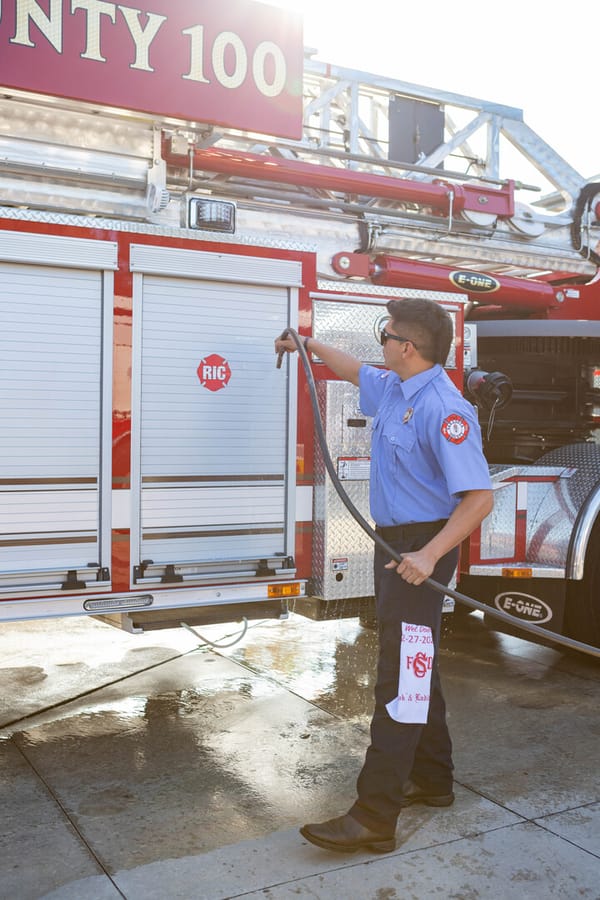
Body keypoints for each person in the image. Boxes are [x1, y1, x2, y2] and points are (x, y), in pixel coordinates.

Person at [274, 297, 493, 854]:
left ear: (408, 346)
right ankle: (434, 780)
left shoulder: (445, 408)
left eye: (386, 333)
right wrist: (306, 343)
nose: (381, 341)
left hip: (422, 548)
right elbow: (354, 370)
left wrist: (428, 556)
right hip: (396, 545)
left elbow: (479, 499)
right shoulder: (398, 387)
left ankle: (374, 816)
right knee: (416, 662)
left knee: (402, 675)